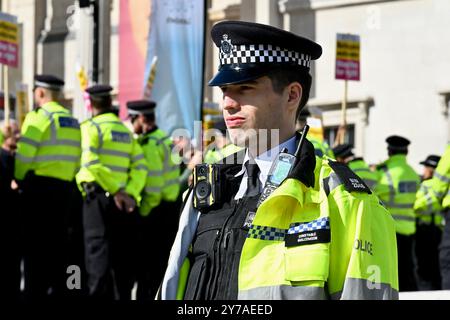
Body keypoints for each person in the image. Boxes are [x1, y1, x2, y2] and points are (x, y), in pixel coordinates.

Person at [160, 20, 398, 300]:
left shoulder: (345, 201)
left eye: (244, 88)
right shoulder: (206, 192)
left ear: (292, 95)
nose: (227, 103)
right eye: (225, 91)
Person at [76, 85, 148, 299]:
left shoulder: (90, 128)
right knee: (120, 260)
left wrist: (116, 191)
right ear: (109, 103)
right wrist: (130, 194)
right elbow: (140, 167)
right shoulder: (125, 132)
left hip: (97, 199)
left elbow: (91, 163)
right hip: (123, 204)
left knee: (96, 255)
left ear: (92, 104)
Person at [14, 75, 82, 298]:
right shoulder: (73, 121)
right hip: (65, 192)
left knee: (35, 251)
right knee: (58, 249)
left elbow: (24, 156)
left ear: (41, 93)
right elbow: (77, 158)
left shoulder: (38, 117)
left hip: (38, 191)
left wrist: (18, 179)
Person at [126, 99, 166, 300]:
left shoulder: (149, 144)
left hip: (153, 212)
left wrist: (142, 212)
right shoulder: (161, 138)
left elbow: (154, 186)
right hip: (166, 210)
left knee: (146, 272)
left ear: (141, 118)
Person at [374, 135, 420, 291]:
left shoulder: (384, 173)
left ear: (389, 151)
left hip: (392, 228)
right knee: (409, 269)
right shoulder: (412, 173)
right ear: (406, 152)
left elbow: (373, 194)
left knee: (393, 271)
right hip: (410, 228)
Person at [414, 146, 450, 289]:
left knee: (424, 269)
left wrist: (415, 207)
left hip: (425, 230)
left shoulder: (427, 186)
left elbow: (419, 206)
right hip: (439, 229)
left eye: (425, 168)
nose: (423, 171)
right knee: (436, 269)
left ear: (431, 169)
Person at [0, 120, 22, 299]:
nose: (19, 136)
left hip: (18, 220)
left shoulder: (19, 158)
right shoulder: (1, 158)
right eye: (15, 133)